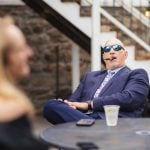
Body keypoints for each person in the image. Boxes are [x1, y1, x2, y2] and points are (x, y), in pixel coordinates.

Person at [43, 38, 149, 124]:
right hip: (83, 117)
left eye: (116, 48)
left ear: (125, 54)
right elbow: (74, 101)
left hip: (109, 123)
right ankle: (86, 128)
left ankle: (80, 129)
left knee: (66, 125)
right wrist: (68, 104)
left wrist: (90, 104)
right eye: (107, 49)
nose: (111, 51)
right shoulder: (90, 76)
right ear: (104, 57)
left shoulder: (136, 74)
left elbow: (130, 99)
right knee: (51, 105)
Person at [0, 16, 48, 150]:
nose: (30, 53)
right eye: (22, 48)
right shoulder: (12, 108)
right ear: (5, 58)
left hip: (95, 111)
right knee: (53, 105)